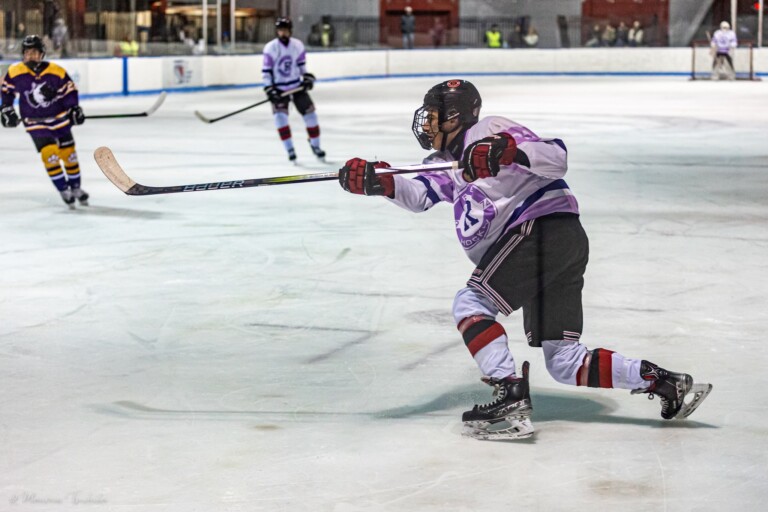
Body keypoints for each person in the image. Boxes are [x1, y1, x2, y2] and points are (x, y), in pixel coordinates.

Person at [337, 79, 712, 440]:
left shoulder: (488, 129)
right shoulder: (446, 162)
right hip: (555, 242)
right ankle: (664, 382)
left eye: (434, 114)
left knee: (471, 303)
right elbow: (419, 192)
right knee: (564, 360)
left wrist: (507, 149)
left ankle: (509, 392)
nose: (427, 122)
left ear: (455, 116)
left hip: (539, 230)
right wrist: (378, 181)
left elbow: (556, 157)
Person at [1, 35, 88, 208]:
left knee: (69, 155)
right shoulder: (15, 72)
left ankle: (76, 187)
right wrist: (6, 108)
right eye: (27, 52)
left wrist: (73, 108)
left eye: (34, 52)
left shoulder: (56, 71)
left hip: (60, 119)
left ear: (42, 53)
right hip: (35, 123)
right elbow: (6, 91)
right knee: (50, 155)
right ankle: (63, 189)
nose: (30, 56)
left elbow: (69, 91)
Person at [262, 17, 325, 163]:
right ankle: (289, 149)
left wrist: (307, 77)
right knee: (280, 118)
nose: (282, 33)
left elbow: (302, 68)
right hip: (279, 89)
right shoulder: (270, 48)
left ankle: (316, 146)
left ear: (290, 31)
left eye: (285, 30)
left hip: (297, 87)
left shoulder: (298, 45)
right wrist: (269, 89)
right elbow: (266, 72)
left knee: (311, 116)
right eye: (280, 30)